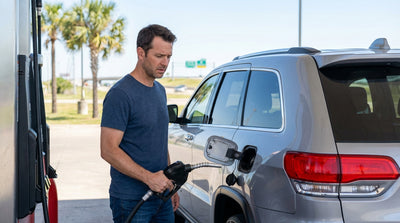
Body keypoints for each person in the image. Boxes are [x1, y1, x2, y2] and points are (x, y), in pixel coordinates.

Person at [100, 24, 179, 223]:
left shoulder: (160, 91)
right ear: (141, 53)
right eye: (159, 56)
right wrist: (149, 178)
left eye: (168, 56)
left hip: (162, 195)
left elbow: (160, 142)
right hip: (131, 199)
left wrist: (172, 185)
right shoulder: (120, 94)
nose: (165, 62)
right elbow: (108, 150)